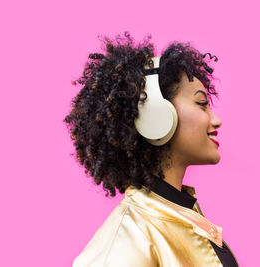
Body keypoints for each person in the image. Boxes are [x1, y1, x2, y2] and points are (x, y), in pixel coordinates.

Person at [64, 32, 239, 267]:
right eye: (201, 104)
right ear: (156, 116)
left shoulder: (180, 212)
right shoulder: (126, 241)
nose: (215, 120)